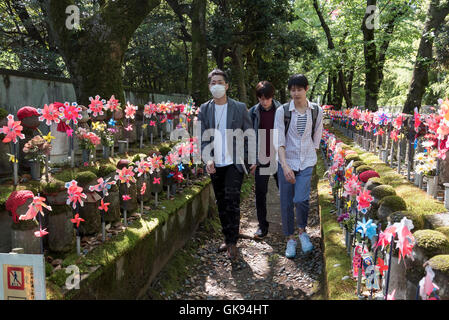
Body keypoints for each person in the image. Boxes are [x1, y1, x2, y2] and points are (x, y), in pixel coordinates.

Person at [197, 68, 253, 260]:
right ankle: (227, 236)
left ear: (227, 85)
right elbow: (201, 137)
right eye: (213, 83)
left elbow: (249, 134)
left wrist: (247, 158)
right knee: (221, 202)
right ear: (209, 86)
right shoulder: (204, 109)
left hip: (233, 163)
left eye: (220, 82)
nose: (217, 86)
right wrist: (208, 158)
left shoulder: (239, 107)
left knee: (232, 201)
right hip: (215, 164)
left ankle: (232, 242)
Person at [273, 74, 323, 259]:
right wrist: (285, 166)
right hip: (287, 161)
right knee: (286, 201)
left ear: (306, 89)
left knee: (301, 199)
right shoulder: (283, 111)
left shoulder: (315, 111)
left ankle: (302, 231)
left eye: (299, 89)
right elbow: (279, 139)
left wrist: (313, 152)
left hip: (307, 161)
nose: (296, 93)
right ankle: (290, 239)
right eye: (292, 90)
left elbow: (317, 135)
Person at [248, 81, 280, 239]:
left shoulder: (282, 110)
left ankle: (290, 227)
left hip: (280, 158)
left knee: (286, 191)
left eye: (267, 98)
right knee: (260, 192)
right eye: (261, 98)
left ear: (272, 97)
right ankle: (262, 226)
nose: (264, 102)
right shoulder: (253, 112)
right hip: (262, 159)